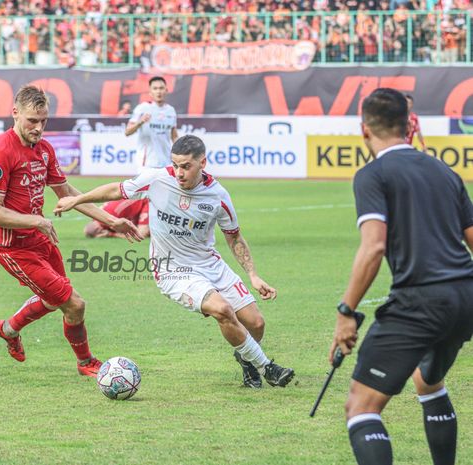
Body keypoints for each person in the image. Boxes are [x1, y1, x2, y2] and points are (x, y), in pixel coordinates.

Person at [55, 135, 295, 388]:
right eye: (176, 165)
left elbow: (234, 238)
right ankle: (267, 367)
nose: (179, 172)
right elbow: (117, 189)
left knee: (256, 323)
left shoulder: (218, 196)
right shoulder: (158, 179)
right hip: (172, 270)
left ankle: (246, 357)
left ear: (203, 162)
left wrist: (253, 275)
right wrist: (76, 200)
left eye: (186, 166)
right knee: (222, 310)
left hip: (209, 264)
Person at [330, 88, 473, 465]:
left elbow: (373, 246)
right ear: (409, 126)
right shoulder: (444, 170)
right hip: (465, 298)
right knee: (428, 380)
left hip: (421, 301)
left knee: (361, 407)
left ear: (364, 130)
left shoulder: (372, 175)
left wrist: (347, 311)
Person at [0, 85, 142, 377]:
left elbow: (66, 192)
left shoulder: (44, 150)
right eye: (32, 120)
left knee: (55, 301)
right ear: (15, 113)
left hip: (40, 241)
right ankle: (85, 363)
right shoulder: (0, 152)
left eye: (44, 120)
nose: (39, 127)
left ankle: (8, 329)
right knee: (74, 303)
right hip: (12, 247)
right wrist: (37, 221)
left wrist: (110, 221)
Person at [125, 76, 178, 173]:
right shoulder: (142, 108)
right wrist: (140, 122)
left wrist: (180, 153)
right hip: (146, 165)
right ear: (150, 92)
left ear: (166, 90)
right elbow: (127, 132)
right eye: (155, 88)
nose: (159, 91)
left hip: (166, 163)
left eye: (161, 88)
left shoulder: (171, 111)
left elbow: (174, 136)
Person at [83, 199, 150, 239]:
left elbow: (141, 235)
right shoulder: (98, 215)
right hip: (140, 196)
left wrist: (110, 235)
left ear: (100, 230)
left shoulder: (109, 220)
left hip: (145, 200)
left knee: (142, 232)